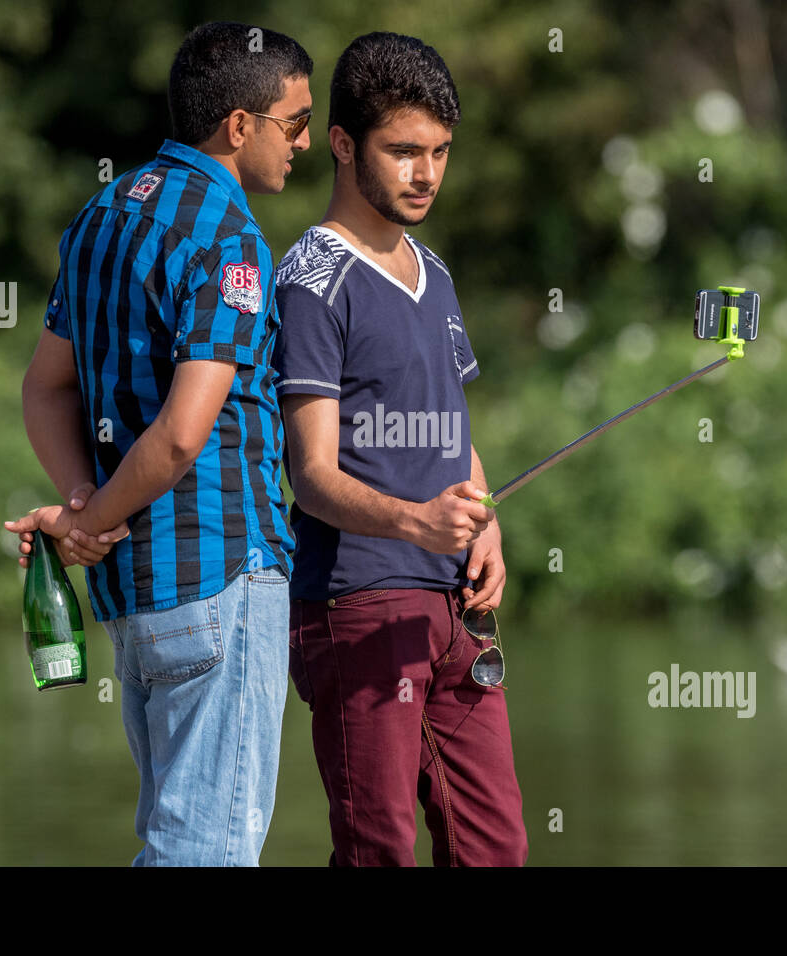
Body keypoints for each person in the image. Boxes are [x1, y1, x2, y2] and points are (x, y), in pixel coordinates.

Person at [3, 21, 313, 866]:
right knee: (207, 849)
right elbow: (183, 434)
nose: (307, 142)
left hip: (135, 595)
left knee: (176, 836)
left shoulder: (102, 214)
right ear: (240, 127)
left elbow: (43, 386)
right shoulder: (229, 238)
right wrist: (91, 518)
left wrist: (80, 514)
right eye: (294, 123)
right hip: (221, 572)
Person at [274, 31, 527, 866]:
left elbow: (453, 429)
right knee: (378, 848)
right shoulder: (311, 278)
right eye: (405, 151)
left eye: (441, 152)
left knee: (497, 848)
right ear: (343, 144)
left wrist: (483, 523)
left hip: (459, 613)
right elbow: (310, 475)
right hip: (359, 605)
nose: (427, 174)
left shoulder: (438, 272)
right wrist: (416, 522)